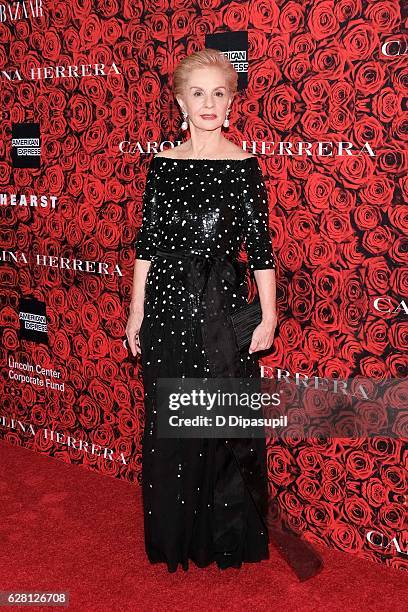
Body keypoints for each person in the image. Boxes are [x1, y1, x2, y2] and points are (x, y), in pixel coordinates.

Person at [127, 48, 320, 576]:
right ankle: (176, 537)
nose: (209, 103)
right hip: (167, 303)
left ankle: (223, 538)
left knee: (219, 417)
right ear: (181, 102)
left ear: (231, 104)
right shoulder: (161, 166)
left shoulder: (244, 166)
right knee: (172, 421)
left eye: (219, 93)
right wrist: (135, 312)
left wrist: (270, 314)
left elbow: (260, 247)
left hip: (222, 305)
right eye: (198, 93)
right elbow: (147, 243)